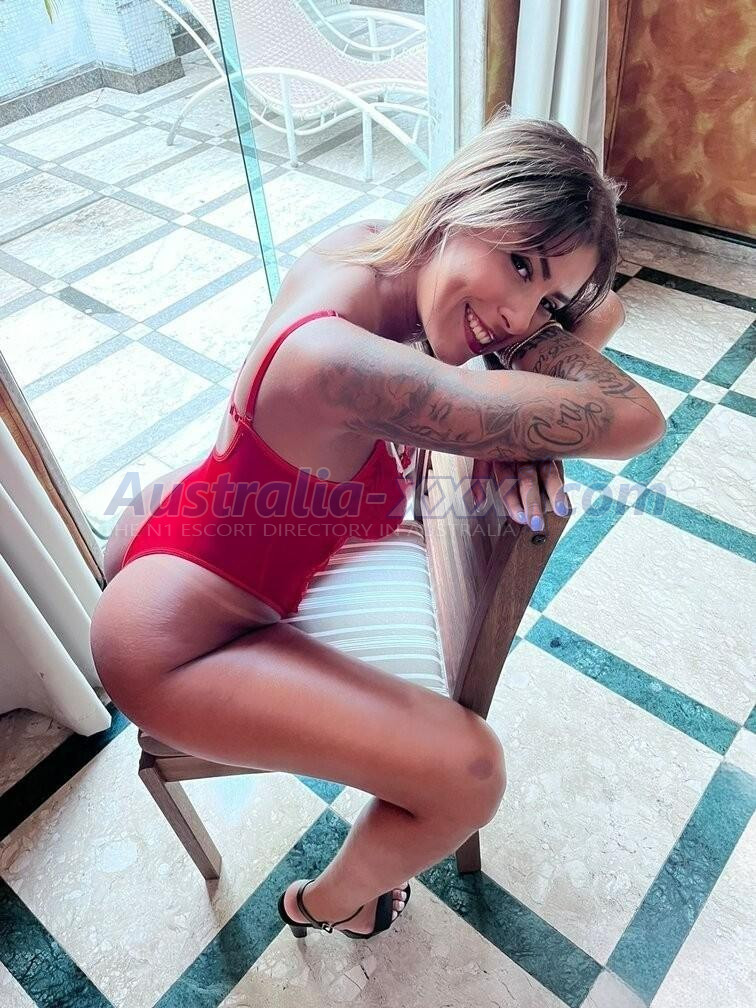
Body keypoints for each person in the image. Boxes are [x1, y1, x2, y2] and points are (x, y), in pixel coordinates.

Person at [90, 110, 666, 941]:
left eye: (544, 298)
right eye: (519, 263)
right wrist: (516, 418)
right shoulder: (343, 365)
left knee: (463, 769)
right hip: (177, 645)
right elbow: (639, 418)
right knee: (472, 777)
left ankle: (341, 898)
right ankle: (325, 905)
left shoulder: (374, 249)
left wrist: (520, 412)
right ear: (461, 202)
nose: (518, 314)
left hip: (194, 527)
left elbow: (599, 312)